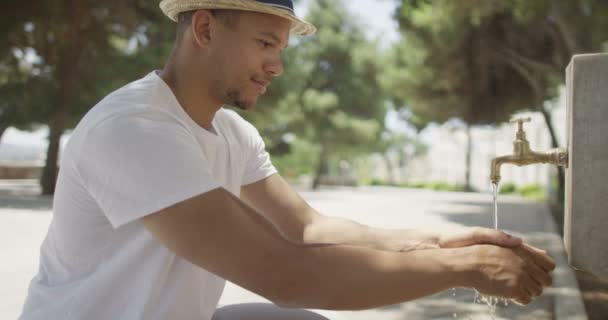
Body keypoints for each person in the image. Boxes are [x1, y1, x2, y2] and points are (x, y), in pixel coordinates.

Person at [20, 1, 555, 319]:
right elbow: (285, 272)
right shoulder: (135, 130)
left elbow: (306, 229)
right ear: (204, 29)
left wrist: (441, 242)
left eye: (280, 49)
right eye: (264, 43)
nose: (276, 65)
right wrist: (464, 270)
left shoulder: (231, 131)